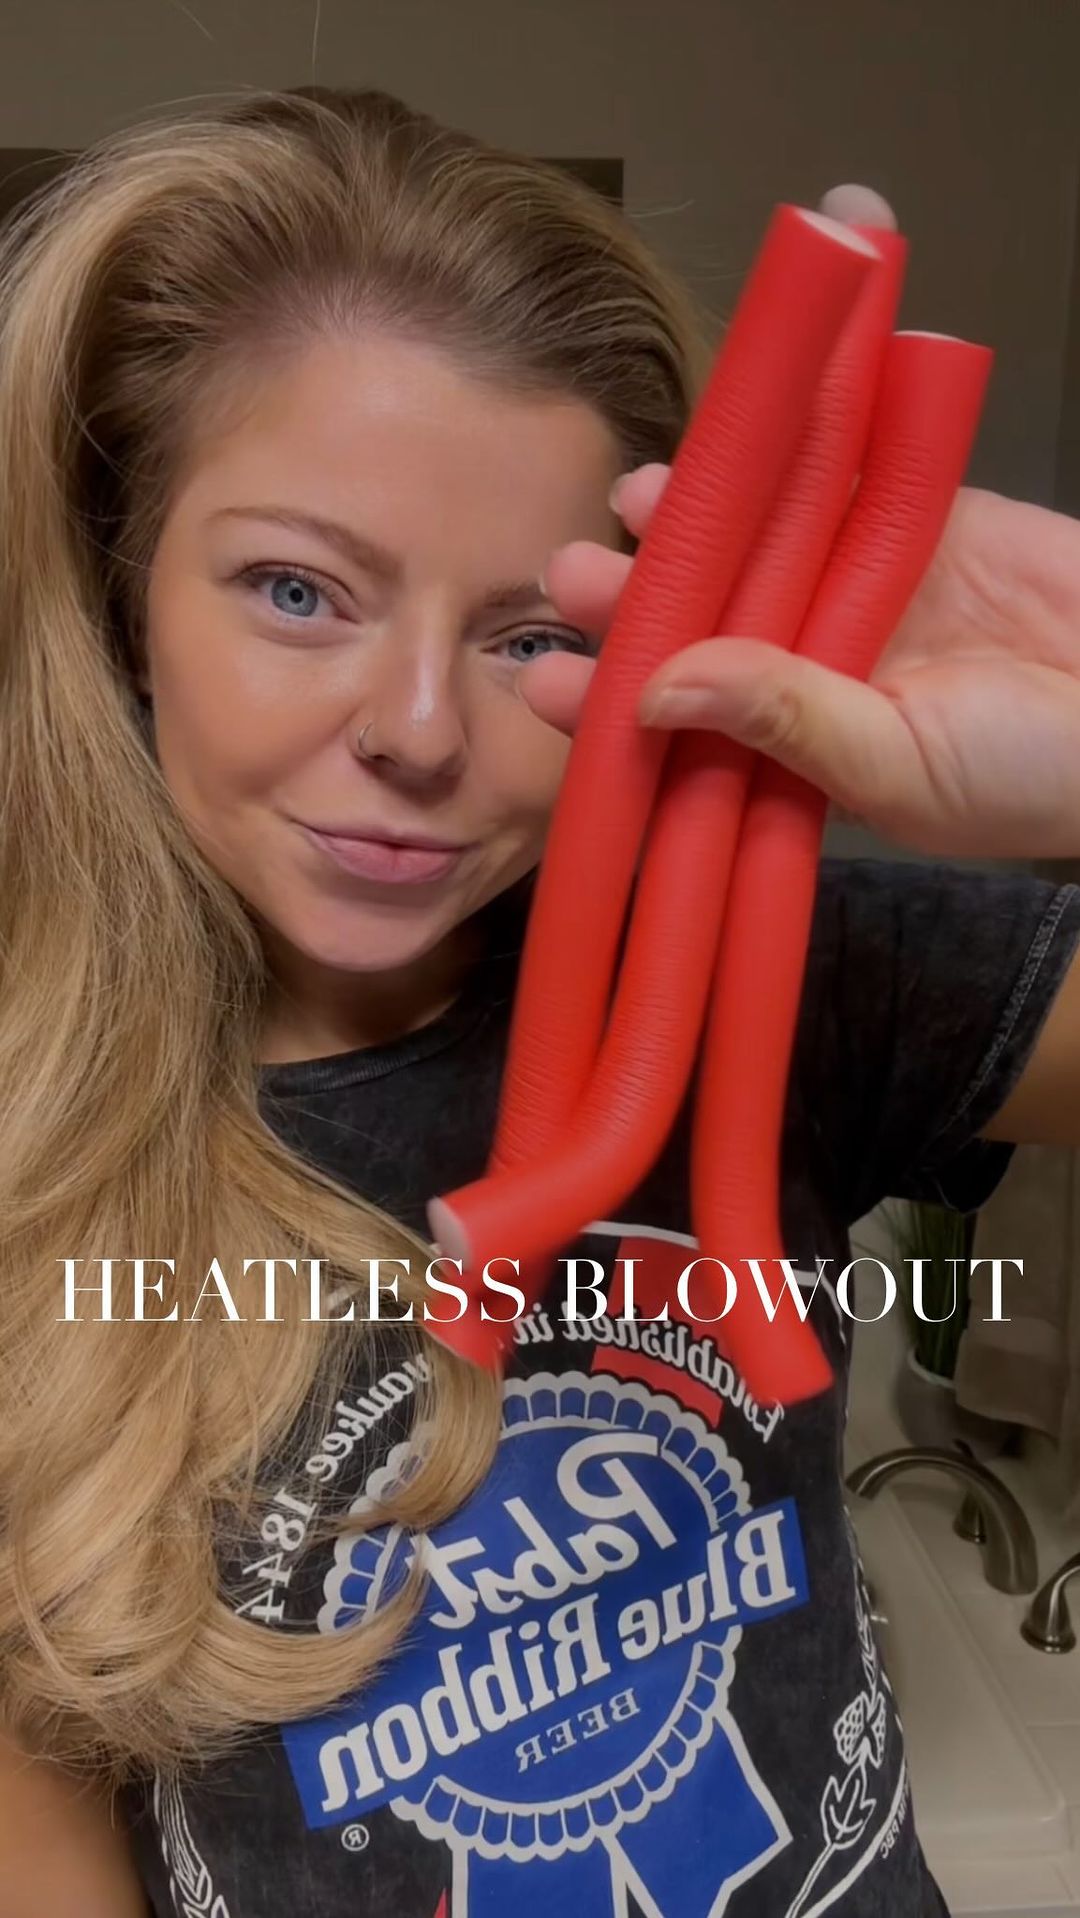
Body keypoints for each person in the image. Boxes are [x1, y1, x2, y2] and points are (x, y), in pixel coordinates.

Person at [2, 83, 1080, 1918]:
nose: (421, 731)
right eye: (297, 588)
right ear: (123, 602)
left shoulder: (787, 982)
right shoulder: (32, 1156)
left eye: (536, 637)